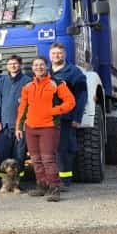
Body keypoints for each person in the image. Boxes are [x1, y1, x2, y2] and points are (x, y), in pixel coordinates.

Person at [16, 57, 76, 202]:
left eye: (41, 65)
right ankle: (41, 186)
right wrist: (19, 126)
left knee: (48, 159)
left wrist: (55, 110)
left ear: (46, 66)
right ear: (32, 68)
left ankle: (54, 188)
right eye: (36, 65)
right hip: (31, 128)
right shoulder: (28, 86)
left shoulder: (57, 83)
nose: (39, 67)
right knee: (35, 159)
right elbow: (22, 108)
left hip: (49, 127)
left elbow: (70, 102)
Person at [50, 42, 88, 188]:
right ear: (50, 55)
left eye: (59, 53)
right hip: (49, 118)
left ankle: (65, 180)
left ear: (64, 54)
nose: (56, 56)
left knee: (64, 148)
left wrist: (77, 117)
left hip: (66, 117)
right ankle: (54, 178)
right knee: (52, 148)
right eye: (53, 53)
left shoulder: (74, 72)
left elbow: (82, 95)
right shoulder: (47, 72)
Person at [0, 56, 30, 175]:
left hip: (21, 126)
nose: (13, 65)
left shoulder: (28, 81)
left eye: (15, 63)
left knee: (19, 154)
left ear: (20, 65)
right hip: (4, 125)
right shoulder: (1, 82)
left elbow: (31, 104)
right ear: (7, 66)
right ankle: (2, 180)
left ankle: (17, 180)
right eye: (10, 64)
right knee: (2, 153)